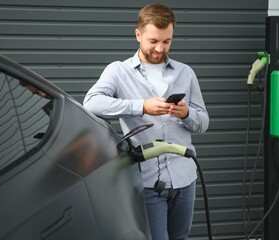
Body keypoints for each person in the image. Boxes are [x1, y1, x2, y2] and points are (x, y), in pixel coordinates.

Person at [83, 3, 209, 240]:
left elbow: (203, 122)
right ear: (138, 34)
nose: (160, 48)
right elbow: (91, 103)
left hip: (185, 178)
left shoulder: (185, 73)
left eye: (167, 41)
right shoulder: (118, 71)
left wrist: (186, 114)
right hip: (148, 181)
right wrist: (141, 106)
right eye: (153, 41)